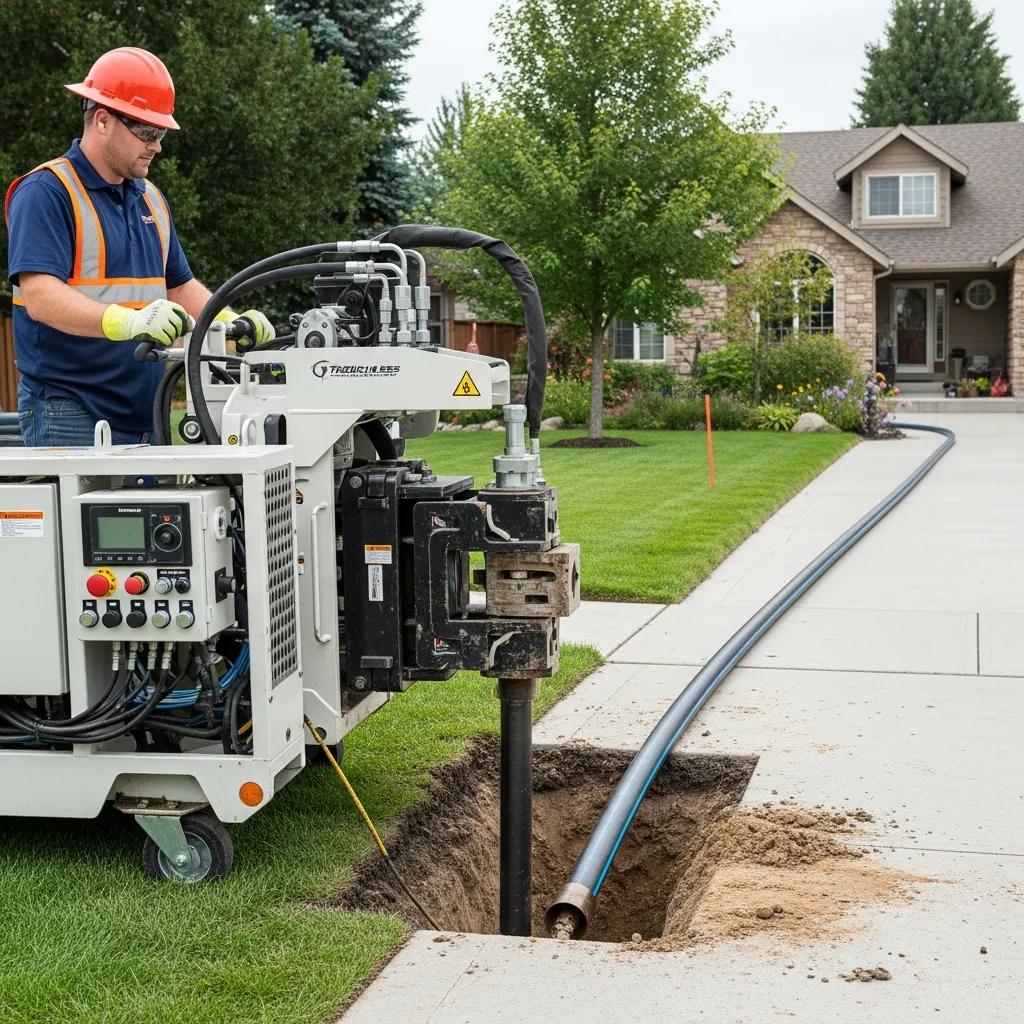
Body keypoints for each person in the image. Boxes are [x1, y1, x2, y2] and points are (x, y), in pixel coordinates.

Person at [5, 46, 274, 446]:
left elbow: (179, 287)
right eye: (147, 132)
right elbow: (41, 297)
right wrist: (128, 323)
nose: (157, 146)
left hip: (146, 408)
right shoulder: (47, 192)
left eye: (160, 133)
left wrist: (228, 320)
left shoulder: (150, 198)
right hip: (70, 409)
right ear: (102, 120)